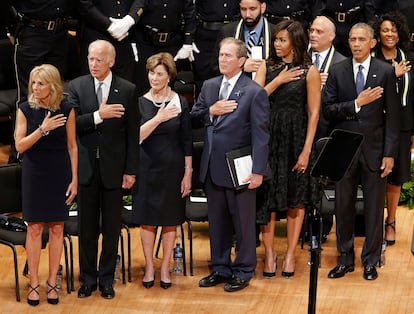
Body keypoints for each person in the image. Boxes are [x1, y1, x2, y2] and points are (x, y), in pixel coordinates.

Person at [322, 23, 400, 280]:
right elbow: (328, 110)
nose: (355, 44)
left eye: (361, 39)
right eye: (352, 39)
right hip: (344, 150)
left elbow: (393, 118)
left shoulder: (385, 71)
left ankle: (371, 260)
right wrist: (356, 103)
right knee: (342, 206)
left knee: (374, 208)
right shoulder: (337, 70)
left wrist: (389, 154)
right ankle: (344, 259)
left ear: (372, 42)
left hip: (375, 151)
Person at [191, 37, 269, 292]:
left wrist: (258, 171)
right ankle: (220, 267)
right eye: (221, 55)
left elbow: (260, 135)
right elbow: (194, 117)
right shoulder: (210, 86)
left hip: (241, 170)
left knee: (244, 224)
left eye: (228, 56)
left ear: (242, 61)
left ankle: (244, 269)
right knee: (217, 223)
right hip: (213, 166)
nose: (223, 60)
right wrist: (211, 111)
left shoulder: (254, 92)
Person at [68, 40, 140, 299]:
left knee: (111, 229)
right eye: (90, 59)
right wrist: (100, 115)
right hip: (86, 169)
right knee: (86, 229)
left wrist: (131, 170)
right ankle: (87, 279)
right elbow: (72, 124)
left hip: (114, 170)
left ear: (111, 61)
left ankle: (106, 279)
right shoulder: (76, 86)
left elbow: (133, 136)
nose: (93, 64)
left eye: (98, 60)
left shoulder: (128, 89)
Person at [254, 20, 321, 278]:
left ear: (295, 41)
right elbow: (255, 99)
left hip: (296, 139)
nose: (277, 44)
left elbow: (314, 114)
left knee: (296, 198)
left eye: (282, 40)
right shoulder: (266, 66)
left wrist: (306, 151)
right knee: (267, 200)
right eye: (275, 40)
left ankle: (291, 253)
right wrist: (279, 81)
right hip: (268, 139)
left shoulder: (309, 70)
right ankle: (269, 254)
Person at [14, 64, 78, 306]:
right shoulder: (24, 109)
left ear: (52, 85)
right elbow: (20, 146)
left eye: (41, 83)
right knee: (34, 228)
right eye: (33, 82)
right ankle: (33, 283)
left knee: (57, 228)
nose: (35, 87)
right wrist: (43, 129)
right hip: (34, 173)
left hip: (59, 173)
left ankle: (52, 282)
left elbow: (72, 146)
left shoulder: (66, 108)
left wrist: (74, 179)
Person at [132, 52, 192, 289]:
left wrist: (188, 172)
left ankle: (165, 267)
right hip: (146, 167)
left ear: (169, 76)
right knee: (147, 220)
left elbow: (187, 140)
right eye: (151, 73)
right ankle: (149, 266)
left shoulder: (180, 102)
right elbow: (135, 137)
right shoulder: (140, 102)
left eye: (159, 74)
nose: (154, 78)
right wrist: (158, 118)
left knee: (169, 220)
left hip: (173, 168)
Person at [6, 0, 77, 164]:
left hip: (60, 35)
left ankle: (51, 150)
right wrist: (10, 29)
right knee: (28, 96)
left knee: (55, 95)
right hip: (31, 33)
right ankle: (18, 157)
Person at [371, 11, 414, 246]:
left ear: (400, 34)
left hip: (402, 126)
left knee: (395, 178)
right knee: (375, 175)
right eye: (385, 29)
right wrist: (391, 74)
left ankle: (391, 221)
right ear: (378, 32)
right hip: (375, 125)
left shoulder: (410, 58)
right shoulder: (371, 58)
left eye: (394, 30)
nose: (390, 34)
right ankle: (373, 222)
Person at [133, 0, 197, 95]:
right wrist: (132, 40)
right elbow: (135, 11)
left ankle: (167, 109)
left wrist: (188, 43)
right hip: (146, 42)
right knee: (145, 83)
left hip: (172, 43)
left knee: (168, 82)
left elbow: (190, 15)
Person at [78, 0, 144, 82]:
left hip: (126, 36)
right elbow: (84, 4)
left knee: (125, 86)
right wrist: (109, 26)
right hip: (96, 35)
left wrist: (129, 20)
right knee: (93, 86)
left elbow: (141, 1)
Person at [212, 0, 275, 77]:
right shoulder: (228, 31)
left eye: (252, 9)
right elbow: (215, 67)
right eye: (243, 9)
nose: (247, 14)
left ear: (263, 7)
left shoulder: (274, 32)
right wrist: (240, 67)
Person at [193, 0, 240, 96]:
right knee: (203, 77)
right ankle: (203, 109)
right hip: (206, 35)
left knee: (232, 74)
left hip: (232, 32)